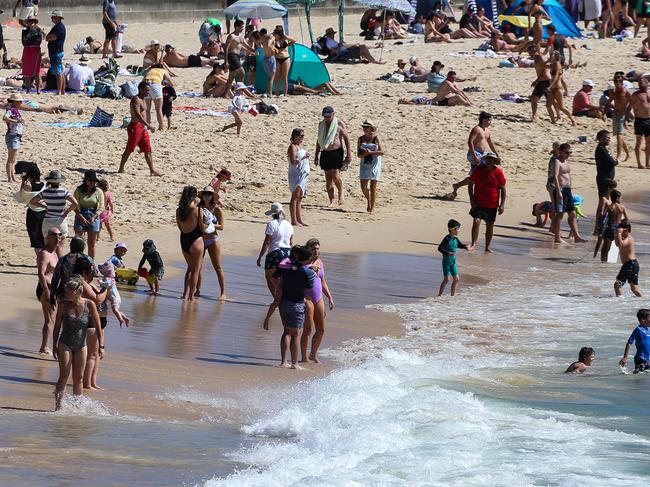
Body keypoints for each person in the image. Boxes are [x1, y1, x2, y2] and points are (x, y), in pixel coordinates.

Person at [52, 276, 103, 410]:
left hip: (81, 346)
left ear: (77, 292)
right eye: (66, 291)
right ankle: (58, 407)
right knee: (64, 375)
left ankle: (77, 407)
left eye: (68, 292)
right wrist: (54, 345)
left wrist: (101, 346)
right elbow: (57, 326)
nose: (66, 294)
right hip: (65, 343)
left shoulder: (89, 304)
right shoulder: (63, 304)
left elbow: (98, 327)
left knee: (79, 378)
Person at [270, 245, 315, 369]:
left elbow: (275, 275)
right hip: (297, 304)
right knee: (296, 334)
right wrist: (313, 273)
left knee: (286, 332)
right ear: (309, 258)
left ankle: (284, 361)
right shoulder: (308, 272)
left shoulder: (287, 267)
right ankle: (295, 363)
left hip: (284, 302)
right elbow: (310, 286)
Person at [258, 202, 294, 329]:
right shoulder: (289, 225)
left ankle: (277, 299)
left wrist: (260, 256)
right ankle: (281, 298)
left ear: (272, 213)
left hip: (275, 253)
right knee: (283, 278)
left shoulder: (271, 224)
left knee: (269, 277)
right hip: (287, 252)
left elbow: (267, 241)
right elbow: (291, 242)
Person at [300, 238, 334, 364]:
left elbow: (323, 281)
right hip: (306, 299)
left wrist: (330, 297)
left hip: (318, 298)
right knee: (307, 329)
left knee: (321, 330)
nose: (316, 251)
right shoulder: (303, 262)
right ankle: (303, 357)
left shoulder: (320, 262)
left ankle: (313, 355)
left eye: (318, 248)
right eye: (313, 249)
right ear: (308, 249)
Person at [451, 111, 499, 197]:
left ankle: (457, 185)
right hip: (473, 153)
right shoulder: (476, 129)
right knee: (485, 169)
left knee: (476, 176)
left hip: (480, 154)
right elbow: (470, 142)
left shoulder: (487, 131)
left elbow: (492, 144)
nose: (490, 122)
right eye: (489, 120)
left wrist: (497, 155)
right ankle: (482, 192)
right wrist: (474, 156)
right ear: (483, 120)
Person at [118, 82, 162, 176]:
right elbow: (137, 115)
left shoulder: (143, 99)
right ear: (141, 89)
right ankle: (121, 169)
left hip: (142, 128)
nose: (148, 92)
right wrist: (149, 125)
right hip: (135, 127)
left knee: (147, 149)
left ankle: (152, 170)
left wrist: (146, 126)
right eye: (147, 90)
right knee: (129, 149)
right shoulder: (136, 99)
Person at [30, 170, 77, 255]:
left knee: (48, 248)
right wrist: (67, 211)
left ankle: (49, 265)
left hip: (48, 221)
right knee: (59, 248)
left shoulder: (45, 192)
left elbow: (32, 202)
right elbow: (75, 203)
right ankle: (59, 267)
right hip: (60, 220)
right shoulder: (64, 192)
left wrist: (44, 207)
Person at [468, 152, 506, 252]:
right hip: (478, 202)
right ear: (485, 160)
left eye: (491, 160)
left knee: (490, 225)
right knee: (476, 221)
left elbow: (503, 189)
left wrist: (502, 204)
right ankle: (473, 244)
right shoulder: (478, 170)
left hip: (492, 204)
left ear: (494, 161)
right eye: (488, 159)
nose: (489, 161)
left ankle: (487, 247)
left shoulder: (498, 172)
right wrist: (472, 200)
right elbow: (470, 184)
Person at [549, 143, 587, 244]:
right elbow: (556, 176)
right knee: (560, 214)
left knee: (572, 213)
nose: (568, 155)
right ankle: (557, 237)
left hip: (567, 189)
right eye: (567, 153)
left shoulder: (566, 161)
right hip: (560, 189)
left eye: (570, 153)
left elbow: (568, 175)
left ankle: (577, 236)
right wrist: (558, 191)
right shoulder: (557, 161)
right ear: (561, 151)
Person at [315, 106, 351, 206]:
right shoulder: (321, 125)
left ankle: (340, 192)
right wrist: (316, 154)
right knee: (328, 178)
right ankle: (331, 200)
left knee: (335, 176)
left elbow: (346, 138)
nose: (327, 118)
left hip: (336, 152)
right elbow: (319, 140)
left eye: (329, 116)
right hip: (325, 152)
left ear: (333, 114)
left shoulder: (339, 124)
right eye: (325, 116)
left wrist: (349, 154)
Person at [176, 186, 206, 300]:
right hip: (196, 240)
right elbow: (202, 228)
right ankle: (191, 296)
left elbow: (180, 227)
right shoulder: (197, 209)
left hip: (184, 240)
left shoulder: (179, 210)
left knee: (189, 268)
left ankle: (185, 294)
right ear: (194, 196)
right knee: (195, 270)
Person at [197, 185, 226, 299]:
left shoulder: (216, 209)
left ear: (213, 196)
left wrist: (210, 225)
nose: (206, 196)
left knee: (218, 267)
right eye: (205, 194)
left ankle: (223, 293)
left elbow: (222, 226)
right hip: (201, 239)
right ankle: (197, 290)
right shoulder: (198, 208)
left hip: (213, 239)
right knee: (198, 267)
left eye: (209, 194)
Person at [36, 227, 60, 354]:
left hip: (52, 289)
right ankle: (44, 347)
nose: (58, 238)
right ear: (48, 237)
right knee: (50, 319)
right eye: (55, 235)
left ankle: (45, 346)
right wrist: (46, 291)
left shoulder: (55, 253)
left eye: (59, 235)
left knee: (53, 318)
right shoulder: (44, 253)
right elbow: (40, 274)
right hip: (45, 288)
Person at [72, 170, 104, 260]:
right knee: (78, 243)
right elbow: (74, 205)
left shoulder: (98, 191)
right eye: (90, 181)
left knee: (91, 243)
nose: (92, 183)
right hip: (80, 215)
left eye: (94, 181)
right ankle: (77, 262)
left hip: (93, 215)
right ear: (85, 181)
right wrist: (80, 216)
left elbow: (101, 207)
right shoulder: (78, 190)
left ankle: (91, 263)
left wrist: (94, 217)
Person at [223, 19, 257, 97]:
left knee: (231, 77)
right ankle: (240, 92)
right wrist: (226, 61)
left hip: (237, 57)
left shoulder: (241, 37)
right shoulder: (232, 36)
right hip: (232, 56)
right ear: (236, 27)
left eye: (242, 27)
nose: (242, 28)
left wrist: (254, 51)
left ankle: (225, 94)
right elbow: (226, 48)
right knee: (242, 73)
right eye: (241, 27)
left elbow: (246, 46)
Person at [49, 236, 88, 303]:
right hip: (81, 292)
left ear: (71, 246)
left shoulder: (63, 259)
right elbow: (93, 273)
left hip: (64, 293)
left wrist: (52, 295)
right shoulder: (87, 259)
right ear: (82, 246)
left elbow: (55, 278)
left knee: (63, 312)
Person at [18, 163, 45, 253]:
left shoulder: (28, 186)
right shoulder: (45, 185)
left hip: (33, 213)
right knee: (44, 236)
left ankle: (40, 259)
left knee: (35, 238)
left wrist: (23, 181)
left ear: (29, 176)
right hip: (45, 212)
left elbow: (21, 196)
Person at [358, 119, 384, 213]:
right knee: (363, 186)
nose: (364, 129)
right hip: (364, 163)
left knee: (373, 186)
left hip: (374, 163)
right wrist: (364, 154)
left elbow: (382, 152)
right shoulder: (360, 139)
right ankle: (368, 200)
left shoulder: (376, 138)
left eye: (366, 127)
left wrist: (371, 152)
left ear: (371, 128)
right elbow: (358, 154)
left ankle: (372, 207)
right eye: (363, 127)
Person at [437, 219, 469, 296]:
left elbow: (460, 245)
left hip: (453, 262)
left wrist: (466, 246)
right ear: (453, 230)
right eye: (458, 229)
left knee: (457, 279)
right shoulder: (447, 239)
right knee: (447, 279)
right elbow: (440, 248)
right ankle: (439, 295)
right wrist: (448, 253)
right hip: (446, 262)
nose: (459, 231)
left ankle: (452, 296)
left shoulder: (455, 239)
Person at [288, 128, 310, 226]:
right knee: (295, 196)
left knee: (300, 197)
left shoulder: (299, 146)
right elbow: (293, 161)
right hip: (296, 174)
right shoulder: (292, 147)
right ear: (295, 136)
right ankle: (294, 220)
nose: (302, 138)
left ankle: (299, 219)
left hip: (302, 174)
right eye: (301, 136)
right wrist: (303, 157)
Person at [97, 261, 130, 327]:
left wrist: (100, 282)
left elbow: (106, 285)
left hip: (115, 298)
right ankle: (125, 318)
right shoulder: (111, 279)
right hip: (116, 298)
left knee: (115, 310)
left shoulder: (108, 279)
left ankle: (120, 319)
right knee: (116, 310)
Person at [614, 221, 642, 297]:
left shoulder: (629, 238)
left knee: (617, 284)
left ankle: (619, 302)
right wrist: (616, 234)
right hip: (632, 265)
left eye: (622, 231)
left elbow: (621, 244)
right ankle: (642, 300)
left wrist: (619, 234)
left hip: (630, 264)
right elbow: (617, 244)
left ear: (626, 231)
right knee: (634, 289)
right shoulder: (624, 238)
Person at [600, 189, 629, 262]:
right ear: (617, 198)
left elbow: (604, 218)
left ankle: (603, 262)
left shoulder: (609, 207)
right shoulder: (622, 207)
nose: (621, 199)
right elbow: (626, 219)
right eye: (620, 198)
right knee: (620, 246)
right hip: (619, 228)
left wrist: (601, 227)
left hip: (610, 228)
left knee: (606, 248)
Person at [143, 63, 173, 131]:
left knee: (147, 110)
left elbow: (143, 81)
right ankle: (161, 127)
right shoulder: (163, 71)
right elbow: (171, 83)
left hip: (146, 85)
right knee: (158, 109)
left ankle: (148, 126)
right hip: (155, 85)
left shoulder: (150, 71)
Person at [548, 50, 576, 125]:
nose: (550, 56)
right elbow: (562, 79)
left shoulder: (557, 64)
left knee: (561, 107)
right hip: (553, 88)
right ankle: (553, 121)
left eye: (552, 55)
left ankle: (572, 120)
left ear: (556, 56)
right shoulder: (552, 64)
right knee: (548, 105)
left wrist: (550, 86)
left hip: (557, 88)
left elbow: (557, 76)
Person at [529, 45, 554, 122]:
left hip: (546, 81)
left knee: (552, 102)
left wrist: (537, 80)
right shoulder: (535, 58)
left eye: (529, 51)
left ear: (534, 50)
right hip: (541, 81)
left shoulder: (540, 57)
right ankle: (534, 115)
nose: (529, 53)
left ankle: (558, 115)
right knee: (534, 98)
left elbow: (546, 70)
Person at [629, 77, 650, 169]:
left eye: (642, 82)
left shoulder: (649, 93)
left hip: (649, 119)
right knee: (639, 142)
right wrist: (628, 116)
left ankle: (647, 163)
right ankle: (639, 163)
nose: (640, 84)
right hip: (639, 119)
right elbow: (630, 106)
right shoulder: (636, 94)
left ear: (647, 83)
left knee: (649, 142)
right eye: (639, 83)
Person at [4, 93, 25, 183]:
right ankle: (10, 178)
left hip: (15, 136)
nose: (21, 103)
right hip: (12, 136)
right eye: (19, 101)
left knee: (12, 159)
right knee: (11, 159)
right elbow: (4, 118)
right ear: (15, 102)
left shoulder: (15, 110)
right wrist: (16, 121)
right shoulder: (11, 109)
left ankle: (12, 177)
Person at [610, 76, 632, 161]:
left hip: (622, 115)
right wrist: (605, 112)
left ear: (622, 84)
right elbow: (609, 101)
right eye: (615, 84)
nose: (616, 86)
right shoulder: (614, 92)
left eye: (617, 84)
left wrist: (627, 114)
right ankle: (628, 153)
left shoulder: (626, 93)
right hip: (615, 114)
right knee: (619, 135)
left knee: (619, 135)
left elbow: (632, 103)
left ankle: (619, 155)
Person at [20, 15, 44, 93]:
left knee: (37, 71)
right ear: (28, 23)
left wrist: (31, 37)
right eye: (30, 21)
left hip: (36, 51)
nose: (32, 23)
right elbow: (24, 42)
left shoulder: (38, 31)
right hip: (27, 50)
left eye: (33, 21)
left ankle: (38, 90)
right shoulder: (25, 31)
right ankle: (28, 89)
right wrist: (32, 36)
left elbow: (39, 40)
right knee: (27, 71)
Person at [45, 9, 66, 96]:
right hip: (56, 51)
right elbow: (48, 37)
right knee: (59, 71)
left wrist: (48, 37)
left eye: (53, 16)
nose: (51, 18)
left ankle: (59, 91)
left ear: (57, 17)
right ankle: (62, 90)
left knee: (58, 72)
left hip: (56, 51)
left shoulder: (59, 27)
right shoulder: (57, 26)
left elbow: (51, 38)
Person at [272, 26, 295, 97]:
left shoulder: (285, 38)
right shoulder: (274, 40)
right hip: (277, 59)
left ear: (279, 34)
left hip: (286, 58)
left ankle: (285, 94)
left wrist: (288, 44)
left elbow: (294, 40)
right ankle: (277, 93)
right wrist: (276, 50)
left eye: (276, 34)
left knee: (284, 77)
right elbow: (271, 47)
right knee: (277, 77)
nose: (275, 35)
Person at [595, 130, 618, 198]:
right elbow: (612, 162)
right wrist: (617, 162)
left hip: (607, 178)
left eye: (609, 137)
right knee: (604, 199)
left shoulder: (603, 149)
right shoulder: (601, 149)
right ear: (601, 138)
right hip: (604, 179)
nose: (609, 139)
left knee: (606, 199)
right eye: (607, 137)